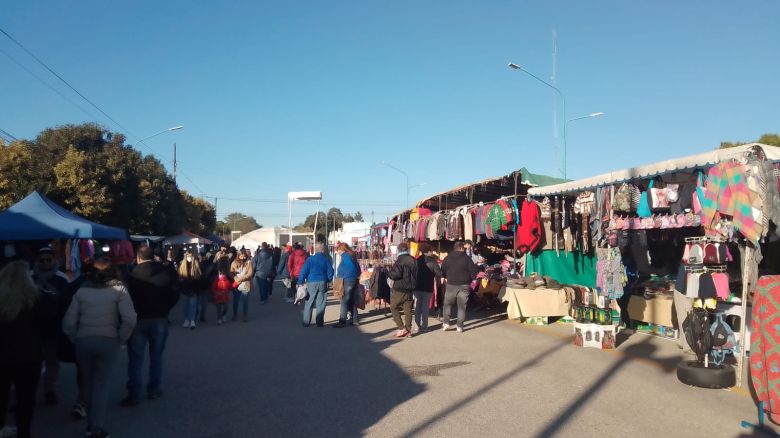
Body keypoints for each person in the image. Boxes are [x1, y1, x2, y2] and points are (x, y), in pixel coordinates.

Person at [63, 258, 137, 438]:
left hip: (83, 340)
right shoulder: (119, 289)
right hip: (108, 339)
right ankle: (96, 428)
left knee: (86, 383)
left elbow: (68, 321)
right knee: (101, 385)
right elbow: (130, 319)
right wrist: (121, 339)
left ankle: (89, 423)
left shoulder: (82, 290)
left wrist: (74, 337)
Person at [0, 261, 58, 438]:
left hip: (2, 356)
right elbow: (50, 327)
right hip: (29, 356)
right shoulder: (39, 299)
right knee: (26, 399)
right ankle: (24, 433)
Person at [121, 245, 178, 407]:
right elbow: (175, 292)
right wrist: (165, 308)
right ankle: (154, 389)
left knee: (135, 359)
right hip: (160, 318)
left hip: (138, 319)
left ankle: (134, 394)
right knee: (156, 356)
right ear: (153, 257)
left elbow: (125, 298)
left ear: (138, 258)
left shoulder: (131, 276)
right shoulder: (165, 273)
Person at [30, 247, 70, 406]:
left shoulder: (62, 279)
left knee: (52, 362)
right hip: (33, 329)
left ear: (54, 260)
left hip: (54, 328)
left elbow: (67, 303)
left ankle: (50, 390)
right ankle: (28, 392)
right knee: (32, 363)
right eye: (42, 260)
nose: (45, 263)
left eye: (48, 259)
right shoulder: (29, 277)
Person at [440, 241, 480, 333]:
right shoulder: (467, 259)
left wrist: (447, 277)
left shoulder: (447, 258)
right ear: (462, 248)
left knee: (447, 305)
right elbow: (473, 273)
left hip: (450, 285)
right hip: (464, 285)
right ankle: (460, 326)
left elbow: (442, 271)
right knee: (462, 307)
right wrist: (470, 279)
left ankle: (446, 323)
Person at [298, 243, 333, 327]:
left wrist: (300, 282)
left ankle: (306, 322)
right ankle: (319, 323)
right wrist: (327, 280)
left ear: (315, 250)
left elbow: (304, 271)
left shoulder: (310, 259)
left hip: (311, 282)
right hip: (322, 282)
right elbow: (330, 272)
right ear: (323, 250)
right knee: (321, 303)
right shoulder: (326, 259)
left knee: (309, 302)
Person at [388, 242, 418, 338]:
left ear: (399, 250)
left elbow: (395, 274)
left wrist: (389, 273)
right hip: (410, 288)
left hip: (400, 288)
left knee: (393, 307)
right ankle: (408, 331)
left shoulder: (399, 260)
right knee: (408, 309)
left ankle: (402, 328)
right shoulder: (414, 260)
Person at [413, 243, 442, 334]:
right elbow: (439, 274)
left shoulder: (416, 261)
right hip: (427, 287)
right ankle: (424, 326)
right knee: (425, 307)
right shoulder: (432, 261)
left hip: (417, 286)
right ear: (429, 251)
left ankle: (417, 326)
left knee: (417, 307)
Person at [333, 243, 362, 328]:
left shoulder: (345, 256)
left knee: (344, 300)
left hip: (347, 280)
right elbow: (357, 268)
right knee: (351, 300)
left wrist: (341, 275)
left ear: (341, 249)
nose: (337, 252)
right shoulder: (352, 256)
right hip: (353, 280)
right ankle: (355, 320)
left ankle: (342, 321)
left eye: (338, 250)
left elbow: (348, 268)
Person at [178, 251, 202, 329]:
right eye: (188, 255)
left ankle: (192, 320)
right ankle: (186, 319)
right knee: (185, 305)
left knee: (193, 305)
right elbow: (179, 278)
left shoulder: (196, 265)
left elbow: (199, 278)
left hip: (194, 288)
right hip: (184, 289)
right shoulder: (182, 265)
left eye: (191, 256)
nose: (189, 257)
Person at [231, 250, 254, 322]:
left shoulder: (248, 263)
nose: (243, 257)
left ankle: (245, 316)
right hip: (237, 284)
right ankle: (235, 315)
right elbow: (232, 272)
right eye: (241, 256)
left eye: (244, 256)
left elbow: (250, 273)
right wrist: (235, 279)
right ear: (238, 255)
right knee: (235, 301)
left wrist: (241, 279)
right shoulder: (234, 262)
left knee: (245, 301)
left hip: (245, 284)